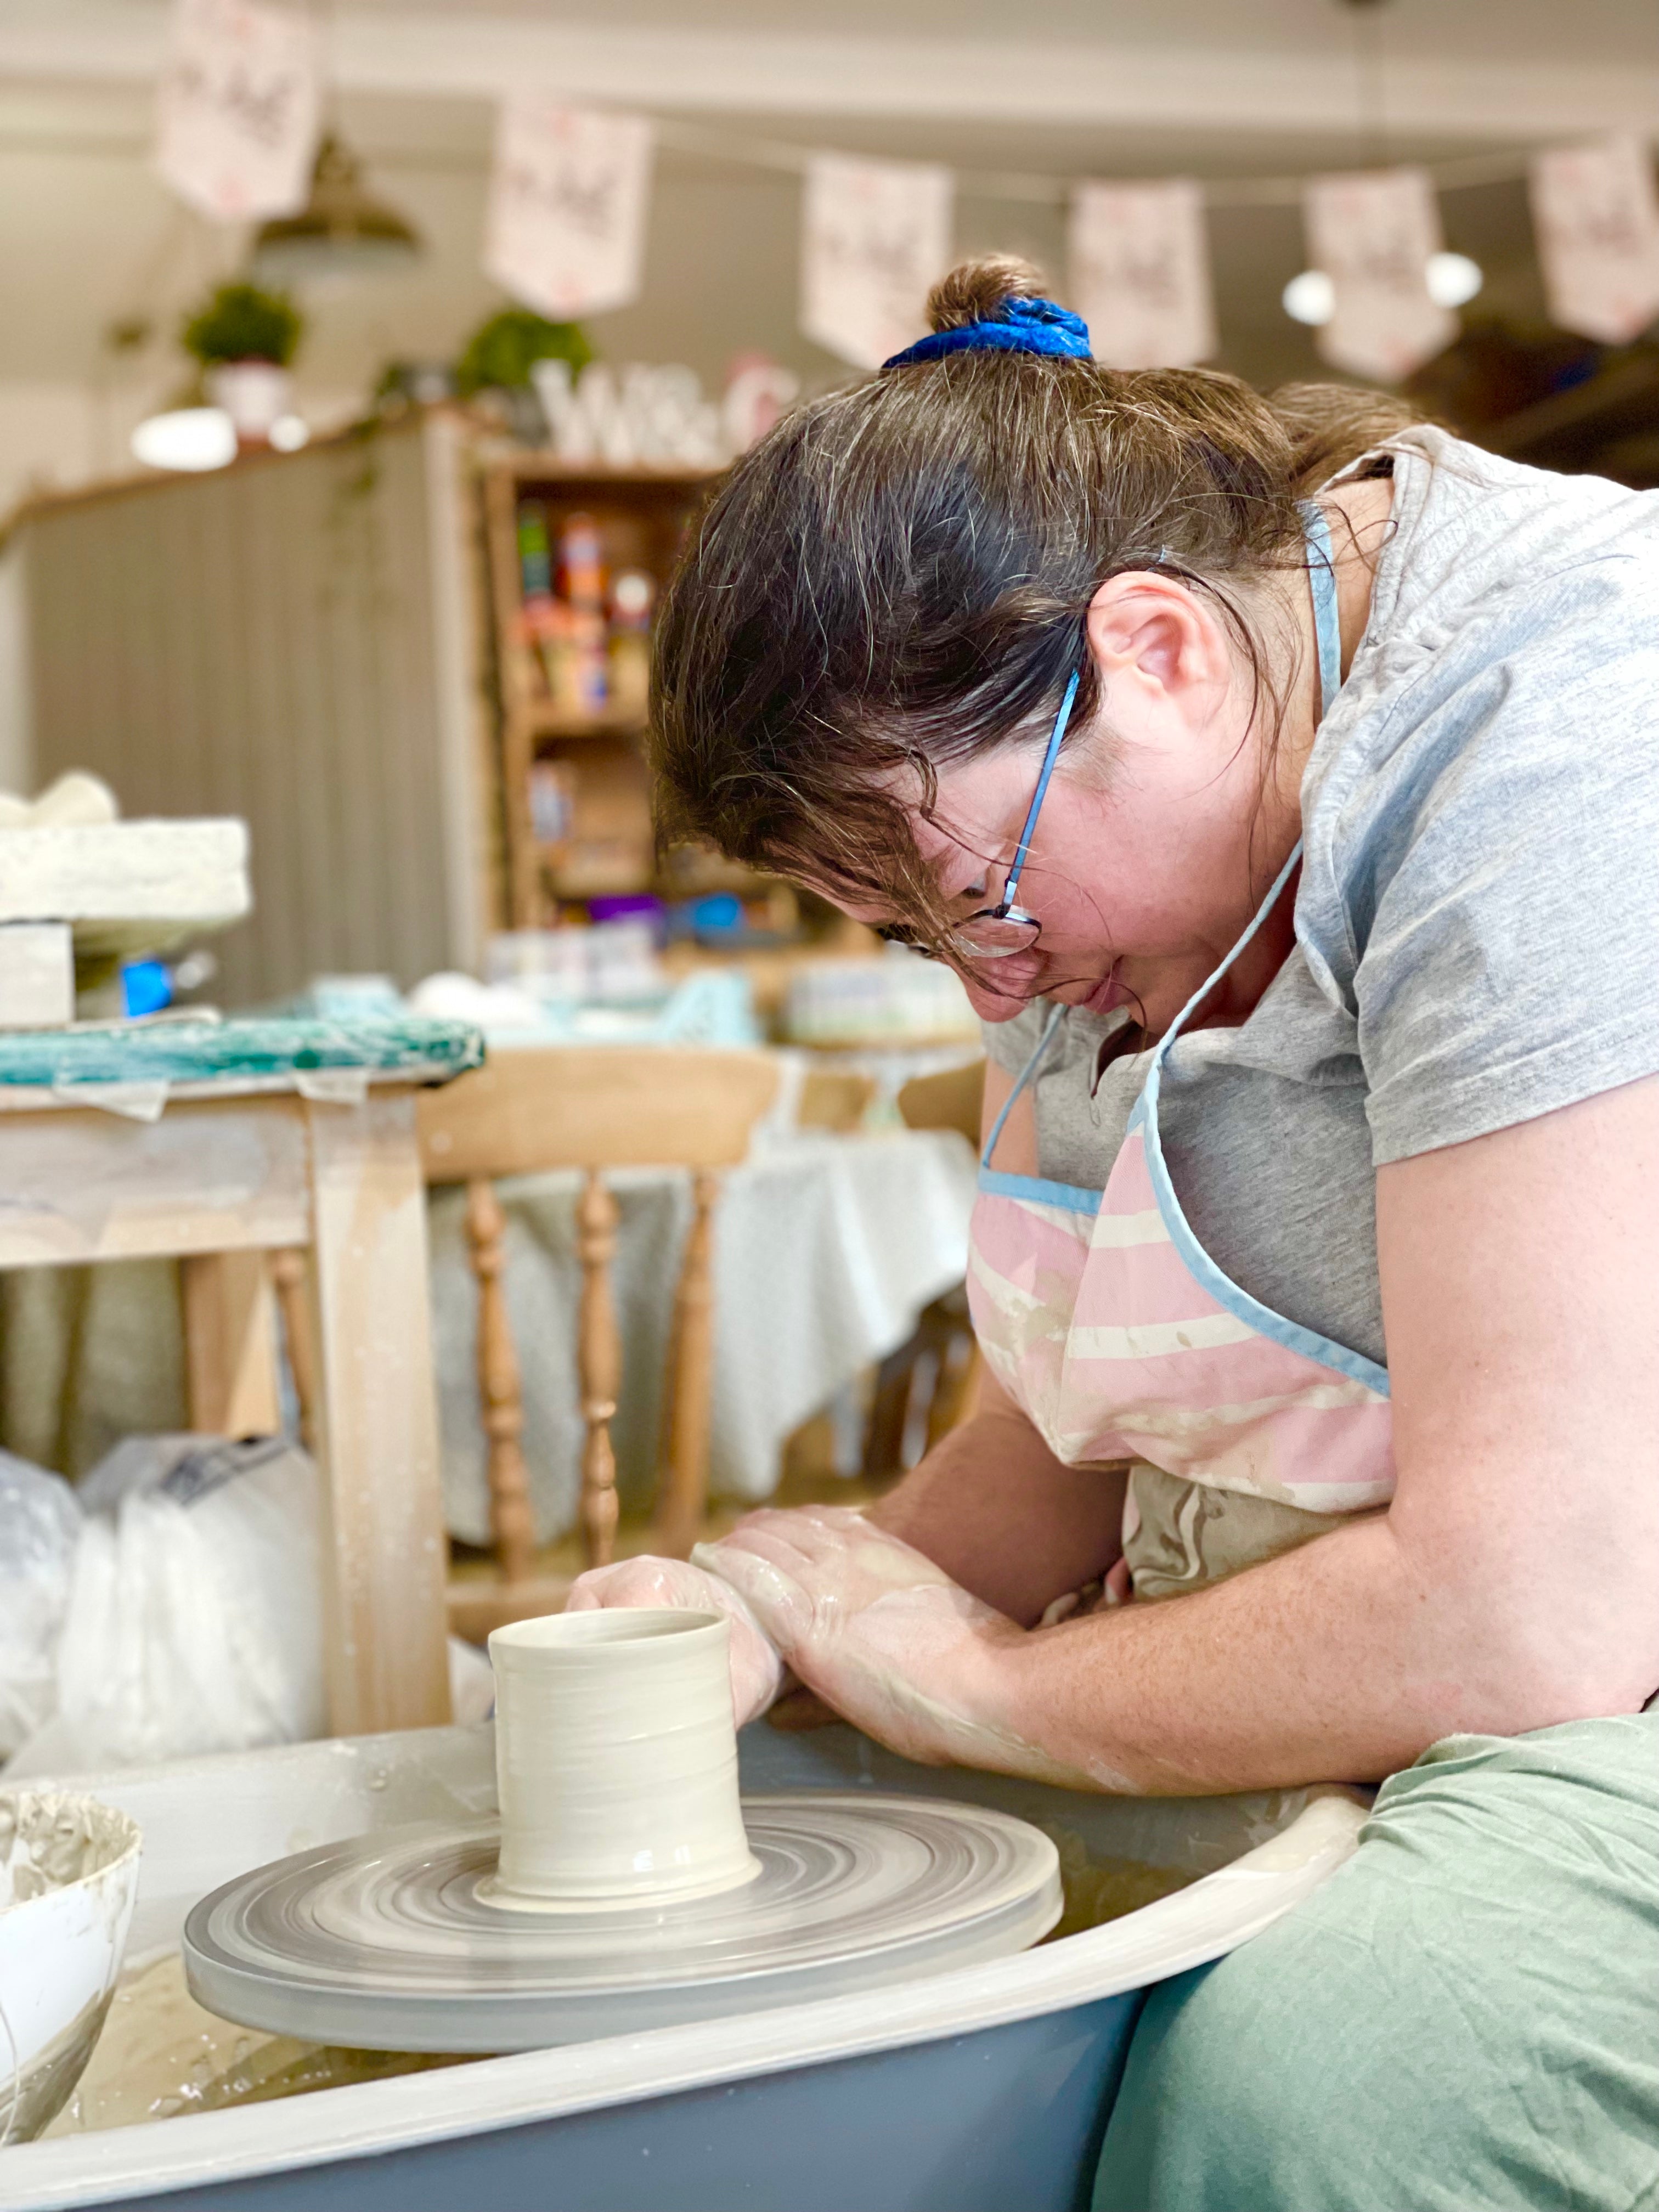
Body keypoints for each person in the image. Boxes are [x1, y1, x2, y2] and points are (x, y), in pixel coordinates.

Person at [567, 256, 1659, 2207]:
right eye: (918, 939)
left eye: (974, 900)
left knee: (1311, 2086)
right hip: (1440, 1630)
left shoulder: (1562, 735)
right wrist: (788, 1611)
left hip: (1598, 1649)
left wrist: (976, 1688)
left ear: (1152, 651)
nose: (995, 992)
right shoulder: (1132, 806)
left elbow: (1538, 1608)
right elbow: (1099, 1413)